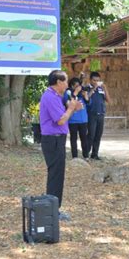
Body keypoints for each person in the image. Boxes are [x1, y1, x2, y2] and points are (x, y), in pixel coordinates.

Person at [39, 70, 83, 221]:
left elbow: (63, 116)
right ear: (58, 82)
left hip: (57, 139)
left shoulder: (56, 96)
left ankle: (54, 208)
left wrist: (73, 108)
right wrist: (71, 108)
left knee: (57, 174)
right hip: (53, 140)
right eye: (65, 81)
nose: (67, 84)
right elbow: (60, 120)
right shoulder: (50, 97)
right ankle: (53, 211)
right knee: (55, 175)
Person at [85, 71, 111, 160]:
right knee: (91, 135)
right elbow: (87, 97)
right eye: (94, 80)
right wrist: (94, 88)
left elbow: (108, 100)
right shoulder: (87, 88)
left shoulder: (101, 89)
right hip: (91, 114)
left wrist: (105, 89)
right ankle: (86, 153)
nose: (96, 82)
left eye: (98, 80)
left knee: (98, 135)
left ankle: (95, 154)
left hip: (101, 114)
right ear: (90, 80)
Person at [63, 77, 90, 159]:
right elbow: (68, 102)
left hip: (83, 120)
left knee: (84, 139)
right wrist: (75, 92)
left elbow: (88, 103)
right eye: (77, 86)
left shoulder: (81, 93)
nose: (79, 87)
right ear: (72, 86)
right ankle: (74, 156)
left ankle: (86, 156)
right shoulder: (68, 93)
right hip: (72, 121)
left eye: (79, 86)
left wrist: (85, 95)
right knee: (73, 139)